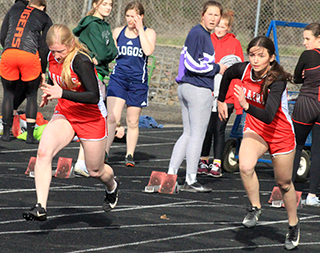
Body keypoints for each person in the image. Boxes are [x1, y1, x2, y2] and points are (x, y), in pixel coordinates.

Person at [22, 24, 118, 221]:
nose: (57, 56)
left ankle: (112, 187)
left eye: (61, 51)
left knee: (94, 170)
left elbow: (93, 96)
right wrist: (49, 92)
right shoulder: (50, 56)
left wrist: (61, 93)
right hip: (66, 113)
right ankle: (41, 206)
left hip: (91, 118)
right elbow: (55, 78)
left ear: (71, 44)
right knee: (43, 152)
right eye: (53, 51)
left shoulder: (81, 61)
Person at [218, 36, 300, 250]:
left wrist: (245, 106)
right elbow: (227, 74)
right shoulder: (243, 70)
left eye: (261, 56)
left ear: (271, 58)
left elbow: (270, 114)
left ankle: (293, 225)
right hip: (256, 128)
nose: (255, 60)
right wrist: (220, 100)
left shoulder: (277, 80)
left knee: (284, 183)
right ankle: (255, 207)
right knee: (244, 165)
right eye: (252, 55)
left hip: (279, 132)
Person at [167, 1, 227, 193]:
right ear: (202, 15)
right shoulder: (198, 33)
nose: (213, 18)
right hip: (197, 89)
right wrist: (217, 68)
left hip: (187, 87)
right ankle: (191, 179)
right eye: (210, 14)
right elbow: (193, 64)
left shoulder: (200, 34)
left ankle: (170, 176)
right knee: (197, 135)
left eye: (217, 15)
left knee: (188, 133)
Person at [72, 0, 120, 177]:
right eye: (105, 3)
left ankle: (82, 160)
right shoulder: (91, 25)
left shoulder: (105, 26)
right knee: (96, 116)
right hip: (92, 74)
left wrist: (106, 54)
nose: (108, 7)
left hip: (100, 71)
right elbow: (102, 51)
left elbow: (113, 51)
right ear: (95, 4)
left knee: (93, 116)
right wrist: (104, 54)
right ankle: (84, 161)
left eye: (110, 4)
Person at [106, 1, 156, 167]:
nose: (130, 19)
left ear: (141, 17)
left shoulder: (149, 33)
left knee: (132, 121)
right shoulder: (118, 32)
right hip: (118, 79)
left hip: (137, 82)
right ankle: (105, 152)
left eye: (134, 16)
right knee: (112, 117)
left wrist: (139, 29)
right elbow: (109, 54)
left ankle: (129, 154)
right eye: (127, 16)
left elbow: (148, 51)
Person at [197, 10, 244, 177]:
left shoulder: (235, 44)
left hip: (227, 95)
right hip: (208, 92)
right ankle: (203, 160)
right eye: (217, 26)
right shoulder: (206, 39)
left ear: (229, 28)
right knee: (206, 128)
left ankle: (216, 162)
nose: (218, 29)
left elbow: (238, 71)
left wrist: (237, 103)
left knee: (218, 127)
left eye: (223, 27)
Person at [0, 0, 52, 143]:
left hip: (9, 53)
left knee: (8, 94)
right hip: (29, 55)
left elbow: (2, 35)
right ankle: (30, 136)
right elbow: (44, 46)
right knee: (31, 95)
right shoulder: (44, 17)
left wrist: (10, 49)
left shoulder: (14, 10)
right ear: (42, 7)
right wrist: (42, 70)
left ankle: (5, 134)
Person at [291, 23, 320, 206]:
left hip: (306, 104)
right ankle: (312, 196)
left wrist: (303, 76)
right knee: (317, 152)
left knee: (295, 146)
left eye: (307, 39)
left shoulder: (308, 55)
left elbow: (296, 78)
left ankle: (288, 190)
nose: (304, 42)